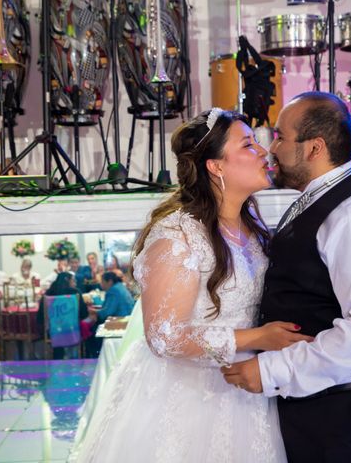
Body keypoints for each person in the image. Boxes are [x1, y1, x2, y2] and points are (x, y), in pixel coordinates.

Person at [70, 109, 312, 462]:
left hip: (245, 390)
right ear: (215, 166)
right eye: (248, 144)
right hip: (186, 395)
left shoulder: (252, 226)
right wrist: (258, 338)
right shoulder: (178, 235)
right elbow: (164, 336)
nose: (264, 152)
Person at [221, 92, 351, 463]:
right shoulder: (319, 199)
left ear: (314, 147)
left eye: (280, 137)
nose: (271, 149)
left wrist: (271, 370)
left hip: (346, 413)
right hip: (322, 407)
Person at [37, 272, 89, 360]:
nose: (75, 283)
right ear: (67, 281)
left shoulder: (48, 294)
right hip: (72, 331)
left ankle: (57, 360)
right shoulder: (75, 293)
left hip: (53, 332)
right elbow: (84, 314)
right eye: (73, 281)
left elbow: (40, 317)